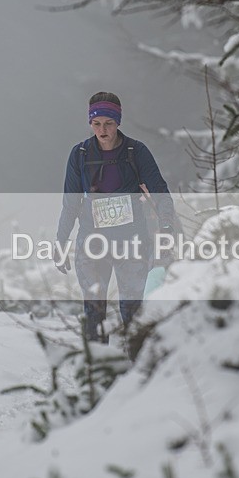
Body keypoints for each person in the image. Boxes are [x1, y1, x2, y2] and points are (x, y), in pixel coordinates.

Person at [55, 92, 176, 343]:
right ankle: (97, 363)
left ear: (118, 122)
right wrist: (61, 241)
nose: (102, 130)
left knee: (132, 311)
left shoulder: (136, 151)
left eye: (108, 123)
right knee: (94, 311)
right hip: (92, 241)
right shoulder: (79, 154)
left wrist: (166, 227)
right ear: (90, 123)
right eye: (96, 123)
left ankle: (139, 362)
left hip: (131, 241)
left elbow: (161, 193)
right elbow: (70, 203)